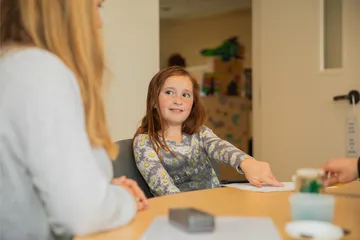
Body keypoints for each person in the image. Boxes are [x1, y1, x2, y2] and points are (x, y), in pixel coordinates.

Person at [0, 0, 148, 239]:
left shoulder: (13, 66)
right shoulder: (39, 71)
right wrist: (125, 199)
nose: (99, 23)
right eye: (97, 6)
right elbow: (82, 214)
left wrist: (105, 194)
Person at [132, 66, 283, 197]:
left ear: (193, 104)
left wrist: (247, 162)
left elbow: (221, 148)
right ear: (153, 101)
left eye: (186, 95)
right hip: (180, 215)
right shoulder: (144, 142)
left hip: (216, 206)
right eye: (169, 92)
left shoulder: (200, 133)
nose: (178, 100)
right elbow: (165, 191)